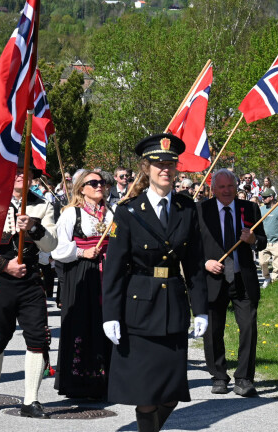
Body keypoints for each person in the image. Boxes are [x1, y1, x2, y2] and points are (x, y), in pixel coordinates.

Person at [101, 133, 208, 431]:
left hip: (173, 306)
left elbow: (195, 265)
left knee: (172, 392)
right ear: (146, 169)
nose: (165, 169)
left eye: (170, 164)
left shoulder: (187, 209)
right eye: (159, 164)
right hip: (140, 308)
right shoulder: (128, 211)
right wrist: (110, 315)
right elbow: (114, 269)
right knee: (146, 394)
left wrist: (200, 310)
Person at [0, 158, 57, 419]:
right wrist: (4, 265)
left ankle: (31, 400)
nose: (20, 176)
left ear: (32, 178)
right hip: (0, 277)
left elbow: (51, 244)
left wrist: (34, 227)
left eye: (25, 172)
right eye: (15, 171)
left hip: (31, 279)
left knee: (38, 337)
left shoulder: (43, 205)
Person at [198, 169, 267, 398]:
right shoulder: (201, 210)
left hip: (242, 278)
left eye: (231, 187)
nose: (227, 191)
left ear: (237, 188)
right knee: (213, 330)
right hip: (213, 279)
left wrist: (253, 239)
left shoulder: (250, 208)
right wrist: (205, 263)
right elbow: (190, 246)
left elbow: (263, 241)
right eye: (222, 187)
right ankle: (218, 376)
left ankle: (244, 378)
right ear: (213, 189)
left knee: (248, 327)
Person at [51, 170, 112, 399]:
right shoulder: (72, 213)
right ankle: (79, 382)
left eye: (101, 182)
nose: (99, 186)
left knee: (105, 322)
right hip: (81, 272)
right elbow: (57, 248)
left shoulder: (111, 212)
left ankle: (105, 381)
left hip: (107, 272)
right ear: (81, 189)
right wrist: (81, 251)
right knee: (82, 322)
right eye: (93, 183)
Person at [258, 190, 278, 288]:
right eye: (262, 197)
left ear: (271, 197)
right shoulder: (261, 209)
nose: (263, 199)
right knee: (262, 262)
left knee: (277, 264)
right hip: (264, 241)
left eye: (265, 197)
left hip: (277, 241)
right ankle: (267, 278)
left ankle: (275, 282)